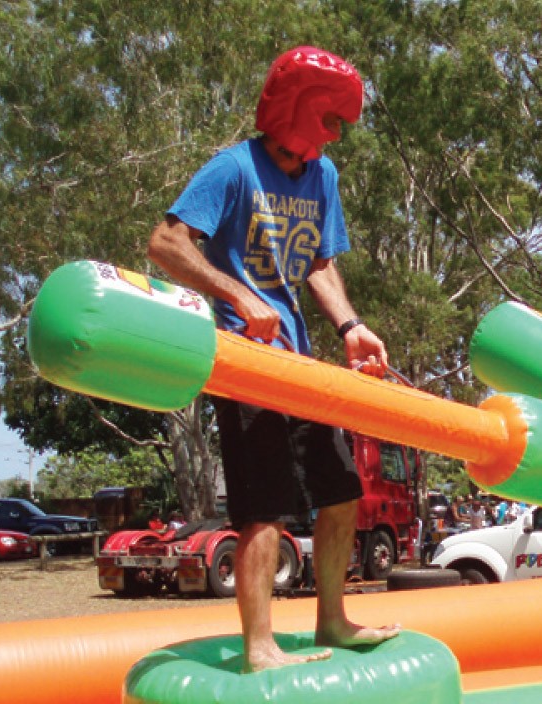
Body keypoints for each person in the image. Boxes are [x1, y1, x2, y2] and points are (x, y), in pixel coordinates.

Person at [147, 46, 400, 671]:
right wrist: (234, 293)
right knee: (263, 511)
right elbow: (165, 242)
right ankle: (260, 647)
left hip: (302, 367)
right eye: (333, 120)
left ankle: (334, 623)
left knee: (340, 494)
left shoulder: (324, 177)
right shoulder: (233, 169)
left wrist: (351, 325)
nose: (337, 134)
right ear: (303, 108)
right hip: (246, 365)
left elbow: (318, 263)